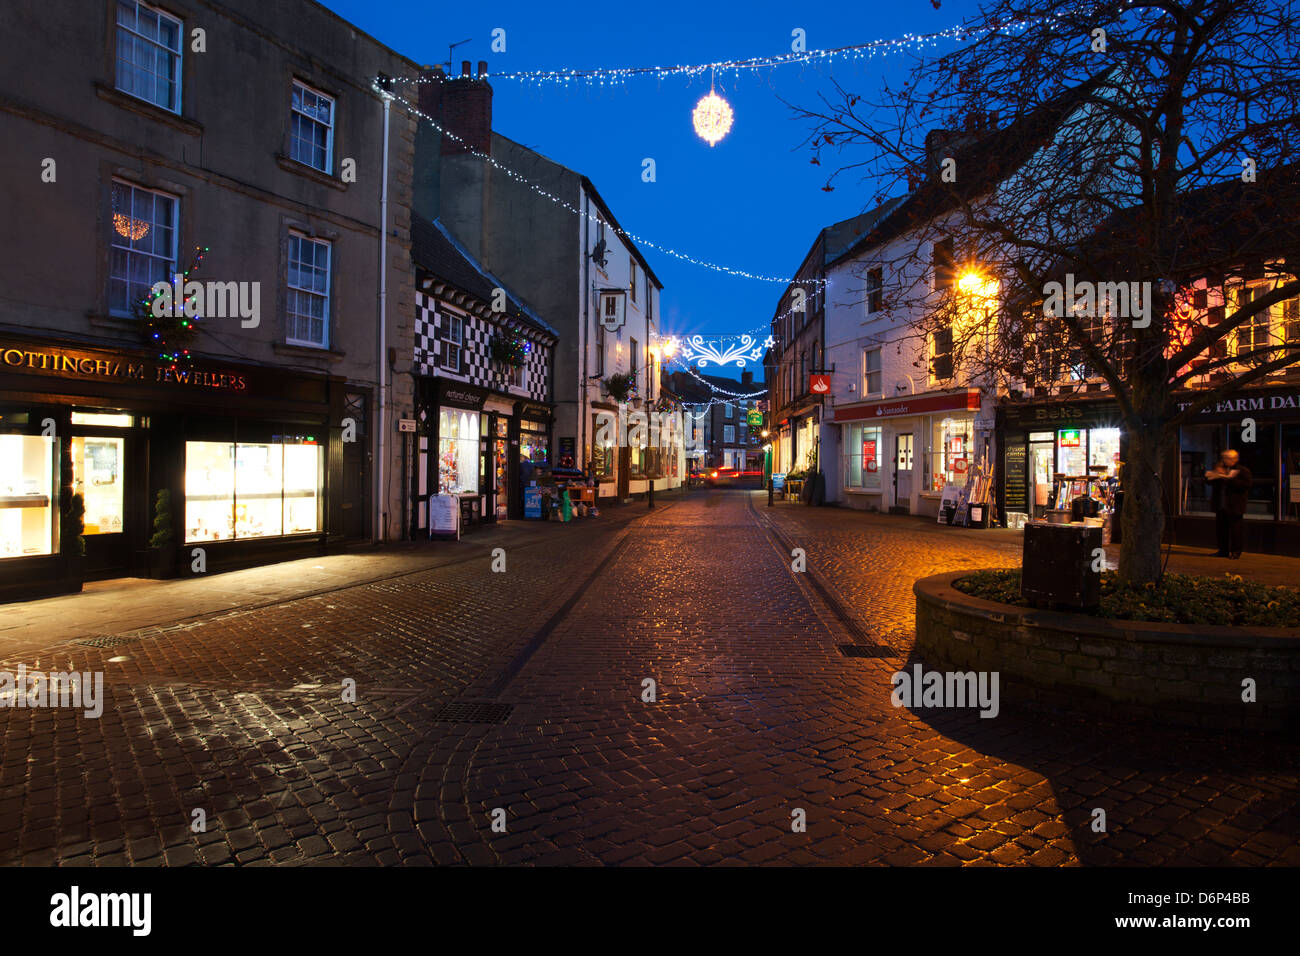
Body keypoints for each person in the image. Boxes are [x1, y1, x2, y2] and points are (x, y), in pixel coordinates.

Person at [1205, 449, 1252, 558]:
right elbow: (1208, 482)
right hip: (1221, 505)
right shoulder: (1220, 469)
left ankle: (1236, 551)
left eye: (1228, 458)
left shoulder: (1242, 471)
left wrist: (1228, 479)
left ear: (1235, 459)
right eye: (1224, 458)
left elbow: (1246, 485)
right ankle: (1223, 550)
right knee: (1221, 530)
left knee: (1236, 530)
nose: (1225, 461)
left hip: (1235, 506)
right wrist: (1215, 474)